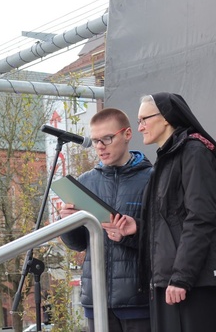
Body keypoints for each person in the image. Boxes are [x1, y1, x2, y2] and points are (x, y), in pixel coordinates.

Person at [114, 92, 216, 332]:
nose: (139, 127)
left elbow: (201, 218)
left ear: (166, 118)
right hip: (172, 284)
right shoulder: (165, 160)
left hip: (193, 285)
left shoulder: (194, 152)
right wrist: (138, 229)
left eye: (144, 119)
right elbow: (172, 222)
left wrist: (182, 277)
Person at [59, 108, 153, 332]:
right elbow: (78, 243)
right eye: (95, 141)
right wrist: (68, 224)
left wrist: (133, 232)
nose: (100, 146)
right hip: (96, 299)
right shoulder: (85, 182)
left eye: (107, 138)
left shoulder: (152, 178)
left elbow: (163, 238)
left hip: (139, 301)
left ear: (127, 134)